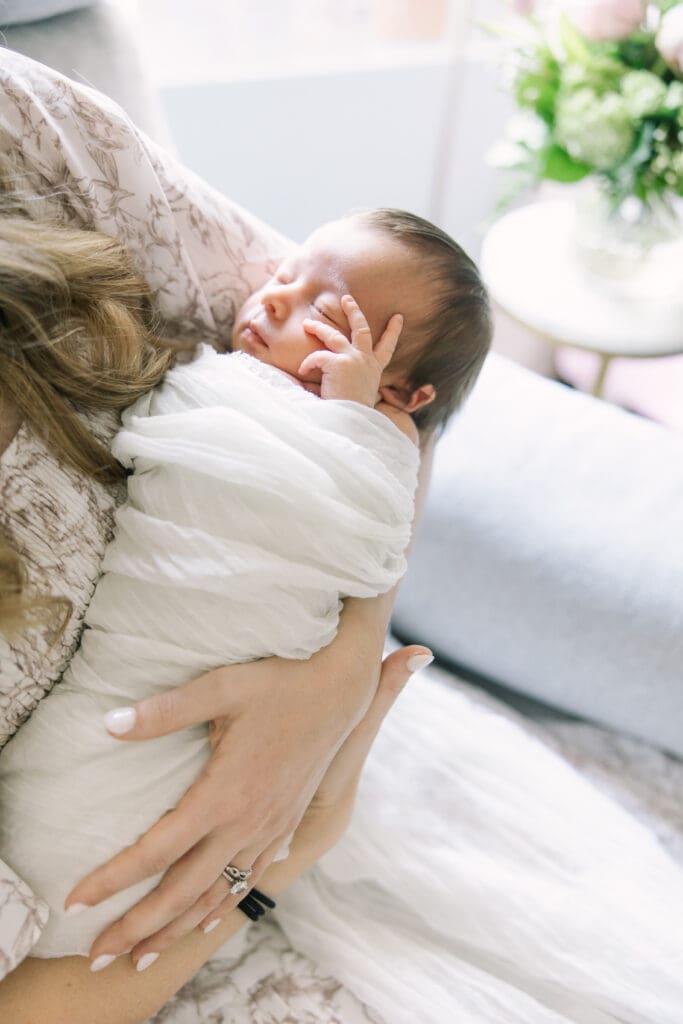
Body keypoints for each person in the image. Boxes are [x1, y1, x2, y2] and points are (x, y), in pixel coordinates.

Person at [3, 50, 683, 1024]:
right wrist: (286, 850)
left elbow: (400, 445)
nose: (270, 300)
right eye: (288, 292)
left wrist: (342, 660)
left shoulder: (38, 137)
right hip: (146, 893)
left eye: (307, 300)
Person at [0, 201, 490, 963]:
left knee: (132, 768)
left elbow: (372, 523)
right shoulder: (221, 382)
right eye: (286, 276)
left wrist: (359, 426)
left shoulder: (374, 440)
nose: (270, 298)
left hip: (231, 664)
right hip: (139, 645)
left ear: (400, 393)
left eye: (319, 311)